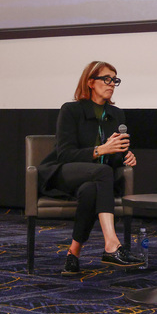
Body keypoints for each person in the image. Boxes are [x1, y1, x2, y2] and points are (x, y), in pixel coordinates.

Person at [38, 61, 144, 276]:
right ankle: (111, 245)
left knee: (91, 190)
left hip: (96, 178)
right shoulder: (70, 110)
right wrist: (101, 149)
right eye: (106, 79)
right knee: (102, 173)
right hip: (64, 172)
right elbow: (65, 154)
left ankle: (73, 253)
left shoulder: (116, 114)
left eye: (115, 80)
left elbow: (112, 158)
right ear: (90, 82)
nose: (112, 84)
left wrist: (125, 156)